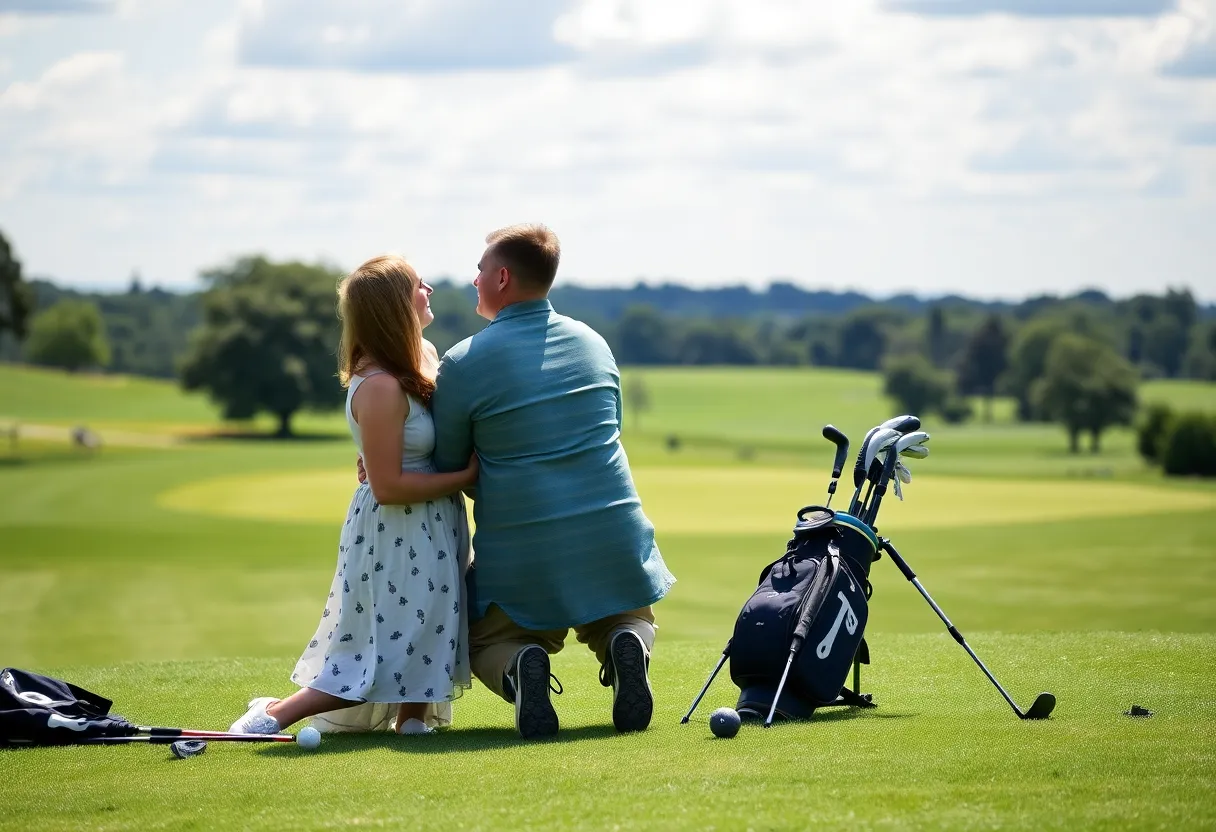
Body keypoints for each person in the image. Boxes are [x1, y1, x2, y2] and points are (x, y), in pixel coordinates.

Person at [427, 223, 676, 739]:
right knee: (627, 615)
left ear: (501, 277)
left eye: (479, 269)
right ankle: (625, 640)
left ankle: (521, 665)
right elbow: (608, 429)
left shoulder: (463, 360)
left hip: (523, 544)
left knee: (483, 640)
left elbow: (450, 462)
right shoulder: (594, 343)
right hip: (613, 529)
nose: (473, 279)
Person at [229, 254, 477, 737]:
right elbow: (387, 487)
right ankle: (271, 717)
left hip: (432, 520)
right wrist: (466, 475)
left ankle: (411, 721)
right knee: (379, 640)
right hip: (400, 526)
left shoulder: (422, 355)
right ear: (394, 307)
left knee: (426, 623)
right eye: (416, 285)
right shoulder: (380, 385)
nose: (428, 289)